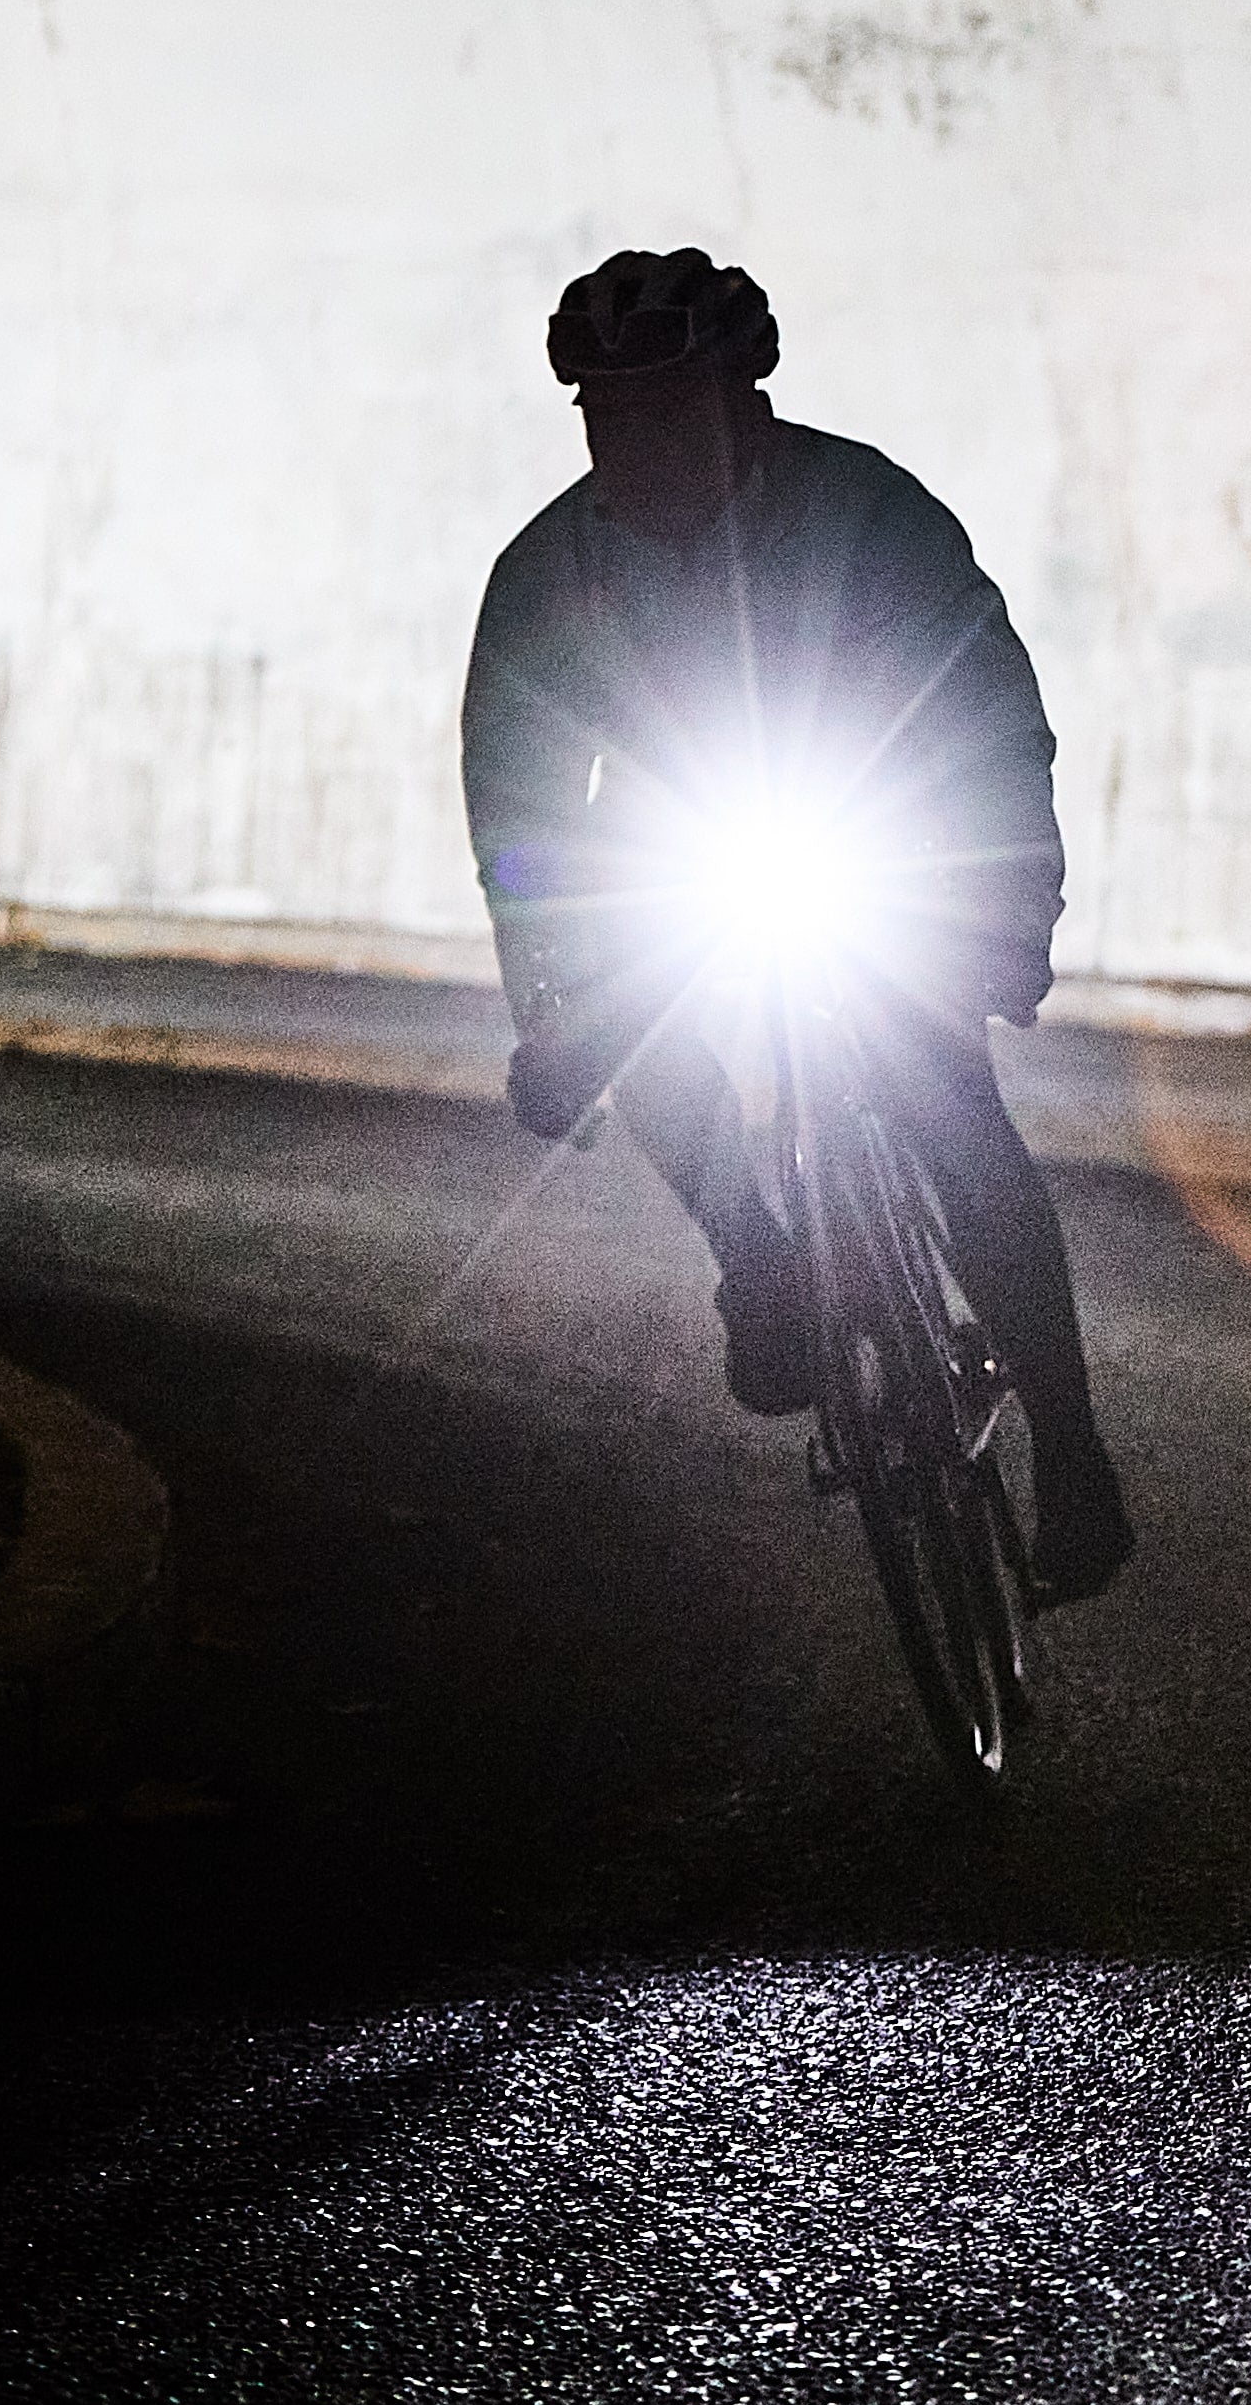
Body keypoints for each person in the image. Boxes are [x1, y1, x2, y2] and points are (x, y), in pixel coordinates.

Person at [460, 247, 1134, 1599]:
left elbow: (988, 714)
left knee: (948, 1100)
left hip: (869, 828)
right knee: (631, 1022)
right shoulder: (545, 577)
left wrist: (1012, 904)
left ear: (745, 400)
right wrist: (550, 1009)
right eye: (606, 418)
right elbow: (517, 814)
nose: (636, 447)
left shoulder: (869, 513)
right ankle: (757, 1258)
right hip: (670, 855)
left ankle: (1074, 1454)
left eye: (667, 413)